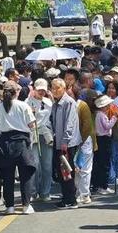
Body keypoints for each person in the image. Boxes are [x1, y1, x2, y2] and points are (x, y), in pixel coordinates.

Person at [0, 81, 37, 215]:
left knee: (8, 176)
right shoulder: (23, 105)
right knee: (26, 174)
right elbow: (32, 125)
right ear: (16, 92)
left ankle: (10, 206)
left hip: (6, 142)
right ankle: (26, 205)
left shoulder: (0, 107)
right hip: (21, 141)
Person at [50, 78, 82, 209]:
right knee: (61, 170)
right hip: (58, 141)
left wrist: (64, 140)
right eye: (53, 87)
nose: (55, 90)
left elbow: (70, 123)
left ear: (63, 88)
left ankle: (71, 199)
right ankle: (66, 197)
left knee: (67, 170)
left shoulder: (68, 102)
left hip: (66, 143)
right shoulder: (55, 103)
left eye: (58, 88)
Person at [27, 78, 54, 201]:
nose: (41, 92)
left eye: (44, 90)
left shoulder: (49, 102)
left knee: (47, 165)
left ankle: (45, 192)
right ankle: (33, 191)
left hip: (46, 134)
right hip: (33, 134)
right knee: (35, 164)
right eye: (39, 90)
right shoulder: (27, 102)